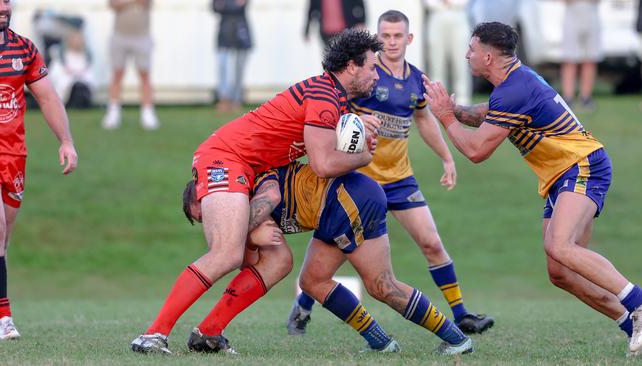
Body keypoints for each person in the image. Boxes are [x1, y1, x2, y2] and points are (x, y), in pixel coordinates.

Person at [129, 28, 383, 354]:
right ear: (351, 66)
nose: (377, 75)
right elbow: (321, 164)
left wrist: (363, 126)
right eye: (373, 67)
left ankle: (209, 332)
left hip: (255, 171)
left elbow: (330, 142)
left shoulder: (336, 100)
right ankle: (153, 334)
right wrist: (364, 156)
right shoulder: (323, 94)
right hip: (226, 158)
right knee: (227, 253)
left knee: (279, 261)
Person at [423, 21, 642, 356]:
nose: (467, 54)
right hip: (560, 175)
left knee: (560, 245)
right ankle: (632, 324)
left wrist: (445, 117)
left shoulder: (515, 88)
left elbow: (476, 151)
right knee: (560, 272)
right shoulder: (513, 84)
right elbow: (487, 114)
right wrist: (453, 110)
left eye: (472, 49)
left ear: (489, 57)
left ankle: (638, 303)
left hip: (582, 165)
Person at [288, 9, 493, 337]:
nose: (392, 42)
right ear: (377, 38)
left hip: (399, 180)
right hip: (361, 180)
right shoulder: (365, 76)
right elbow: (336, 110)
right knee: (337, 251)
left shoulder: (416, 79)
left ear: (409, 39)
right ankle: (302, 308)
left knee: (431, 242)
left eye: (398, 36)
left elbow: (425, 120)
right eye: (385, 36)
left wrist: (447, 158)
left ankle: (461, 313)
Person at [179, 161, 474, 355]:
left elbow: (270, 199)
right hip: (337, 207)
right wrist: (247, 237)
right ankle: (381, 343)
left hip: (344, 200)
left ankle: (456, 339)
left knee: (381, 285)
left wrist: (244, 230)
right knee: (312, 280)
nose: (213, 222)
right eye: (204, 220)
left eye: (207, 212)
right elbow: (247, 259)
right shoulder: (241, 209)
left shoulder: (250, 186)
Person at [0, 0, 78, 340]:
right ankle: (3, 319)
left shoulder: (23, 49)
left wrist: (66, 141)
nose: (4, 7)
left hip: (13, 156)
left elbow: (47, 97)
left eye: (6, 1)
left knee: (1, 241)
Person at [102, 0, 159, 130]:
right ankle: (113, 112)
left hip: (142, 36)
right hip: (119, 35)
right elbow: (113, 4)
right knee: (117, 73)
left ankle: (148, 112)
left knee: (145, 75)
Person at [424, 0, 472, 105]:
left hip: (458, 14)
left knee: (461, 59)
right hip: (436, 15)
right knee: (436, 60)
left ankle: (462, 98)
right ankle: (438, 98)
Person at [560, 0, 601, 111]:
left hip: (591, 14)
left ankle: (585, 97)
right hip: (572, 15)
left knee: (590, 58)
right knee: (569, 58)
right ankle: (568, 97)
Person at [212, 0, 253, 113]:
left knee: (238, 70)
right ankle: (224, 99)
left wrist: (225, 5)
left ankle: (236, 99)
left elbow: (239, 7)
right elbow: (215, 7)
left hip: (241, 35)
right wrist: (232, 5)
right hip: (224, 34)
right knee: (222, 67)